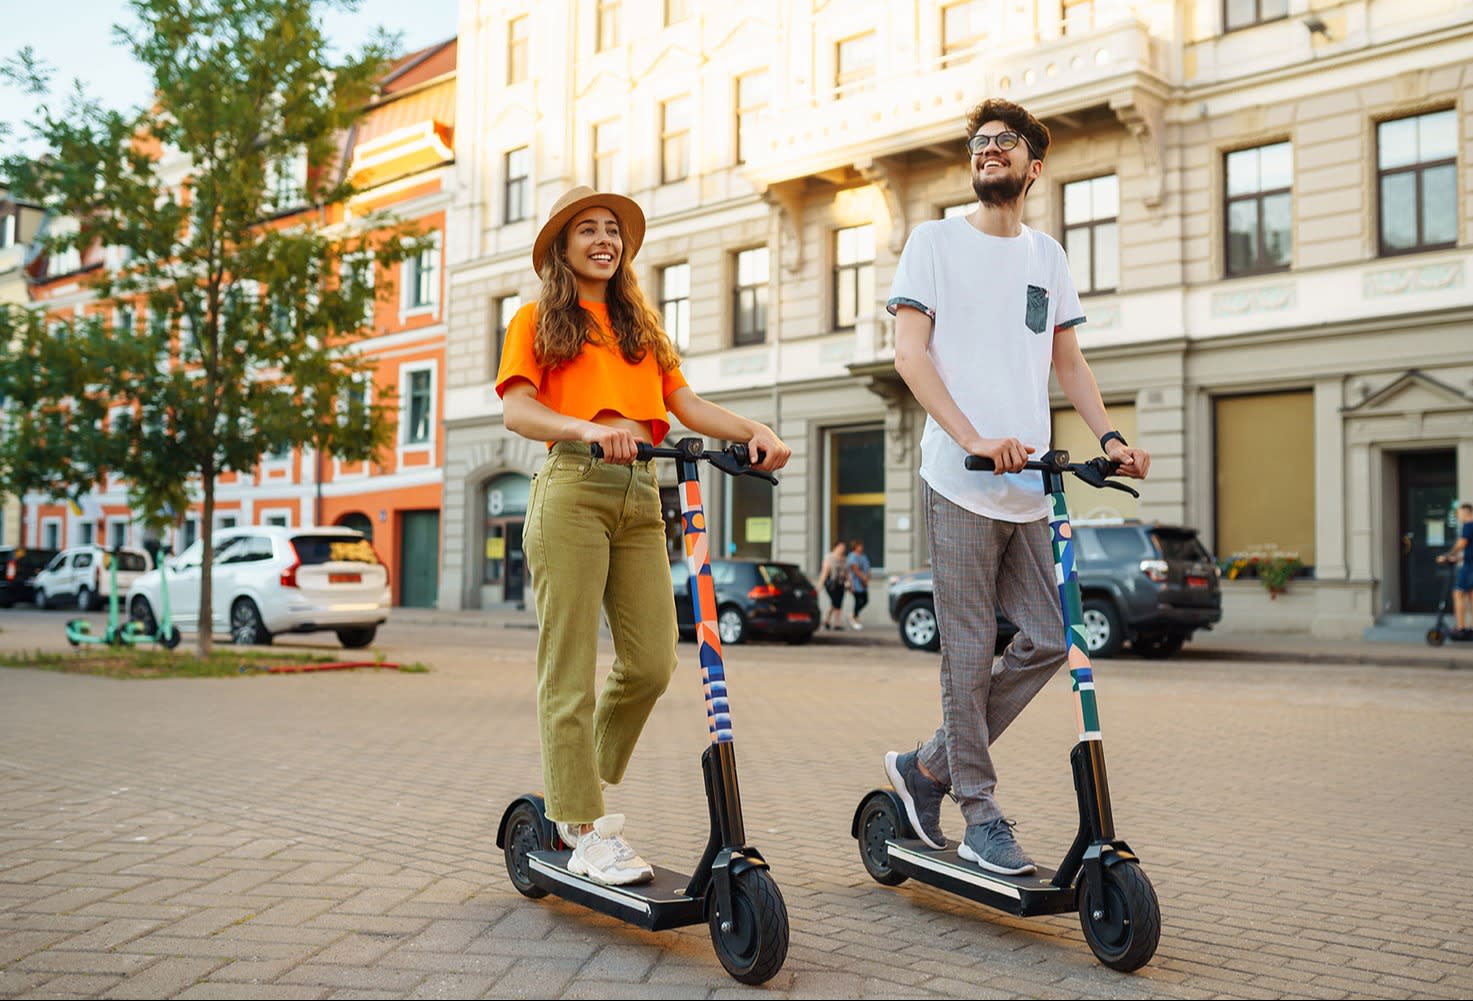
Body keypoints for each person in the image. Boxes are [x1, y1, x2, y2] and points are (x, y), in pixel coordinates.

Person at [880, 98, 1151, 876]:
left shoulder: (1047, 256)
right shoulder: (933, 242)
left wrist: (1109, 439)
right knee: (967, 654)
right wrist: (970, 436)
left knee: (1048, 638)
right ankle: (978, 810)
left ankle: (925, 766)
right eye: (979, 141)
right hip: (959, 479)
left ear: (1034, 165)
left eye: (1005, 141)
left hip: (1027, 484)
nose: (988, 148)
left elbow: (1068, 361)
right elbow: (909, 354)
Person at [497, 186, 792, 886]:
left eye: (613, 231)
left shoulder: (640, 327)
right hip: (572, 486)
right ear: (562, 247)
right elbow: (518, 410)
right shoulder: (535, 319)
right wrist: (587, 428)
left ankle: (575, 787)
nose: (604, 240)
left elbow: (682, 403)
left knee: (653, 660)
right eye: (588, 230)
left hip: (640, 492)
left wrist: (753, 429)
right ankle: (582, 823)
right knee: (568, 669)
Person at [1438, 503, 1473, 641]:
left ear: (1466, 512)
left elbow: (1461, 544)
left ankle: (1460, 628)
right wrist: (1457, 558)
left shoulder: (1468, 525)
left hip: (1469, 567)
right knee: (1471, 595)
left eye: (1459, 514)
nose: (1458, 517)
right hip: (1469, 563)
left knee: (1458, 593)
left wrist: (1447, 555)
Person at [818, 540, 848, 631]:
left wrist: (850, 583)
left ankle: (826, 620)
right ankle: (837, 623)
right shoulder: (829, 557)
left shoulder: (844, 559)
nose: (843, 549)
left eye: (844, 548)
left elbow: (847, 572)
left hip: (841, 583)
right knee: (836, 602)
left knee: (836, 603)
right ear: (836, 547)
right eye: (841, 547)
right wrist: (821, 584)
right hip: (831, 584)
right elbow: (825, 571)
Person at [846, 539, 871, 630]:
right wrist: (863, 578)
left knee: (865, 600)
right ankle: (855, 618)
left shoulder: (863, 556)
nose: (861, 547)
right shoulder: (852, 556)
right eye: (859, 546)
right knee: (858, 600)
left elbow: (868, 568)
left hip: (863, 583)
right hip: (855, 583)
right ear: (855, 547)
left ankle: (853, 615)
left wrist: (867, 577)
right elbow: (855, 569)